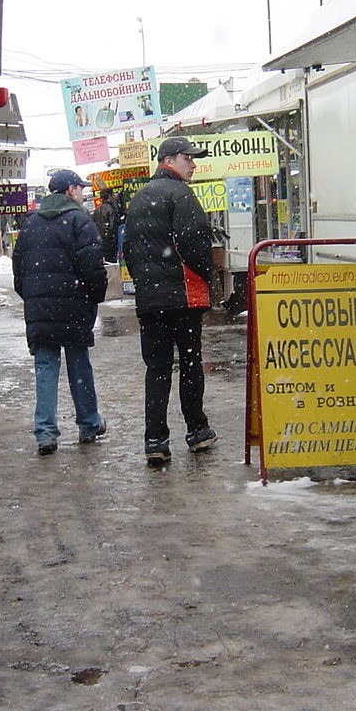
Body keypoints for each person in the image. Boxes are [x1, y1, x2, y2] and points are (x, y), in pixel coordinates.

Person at [123, 136, 218, 466]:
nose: (194, 165)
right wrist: (208, 276)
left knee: (157, 369)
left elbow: (129, 253)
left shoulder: (137, 200)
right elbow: (195, 247)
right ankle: (197, 431)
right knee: (190, 365)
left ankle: (155, 441)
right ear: (170, 160)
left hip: (151, 302)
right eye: (188, 158)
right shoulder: (181, 194)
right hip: (183, 298)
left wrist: (146, 285)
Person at [12, 169, 109, 455]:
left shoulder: (30, 225)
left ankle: (45, 432)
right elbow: (93, 268)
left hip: (40, 309)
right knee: (79, 366)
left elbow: (19, 271)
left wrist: (34, 297)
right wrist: (94, 298)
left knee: (45, 368)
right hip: (75, 307)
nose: (82, 193)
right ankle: (89, 423)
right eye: (79, 188)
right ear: (69, 191)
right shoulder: (80, 221)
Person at [91, 186, 125, 262]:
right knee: (114, 263)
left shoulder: (97, 210)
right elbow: (113, 226)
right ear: (110, 196)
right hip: (111, 242)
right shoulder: (111, 208)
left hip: (100, 242)